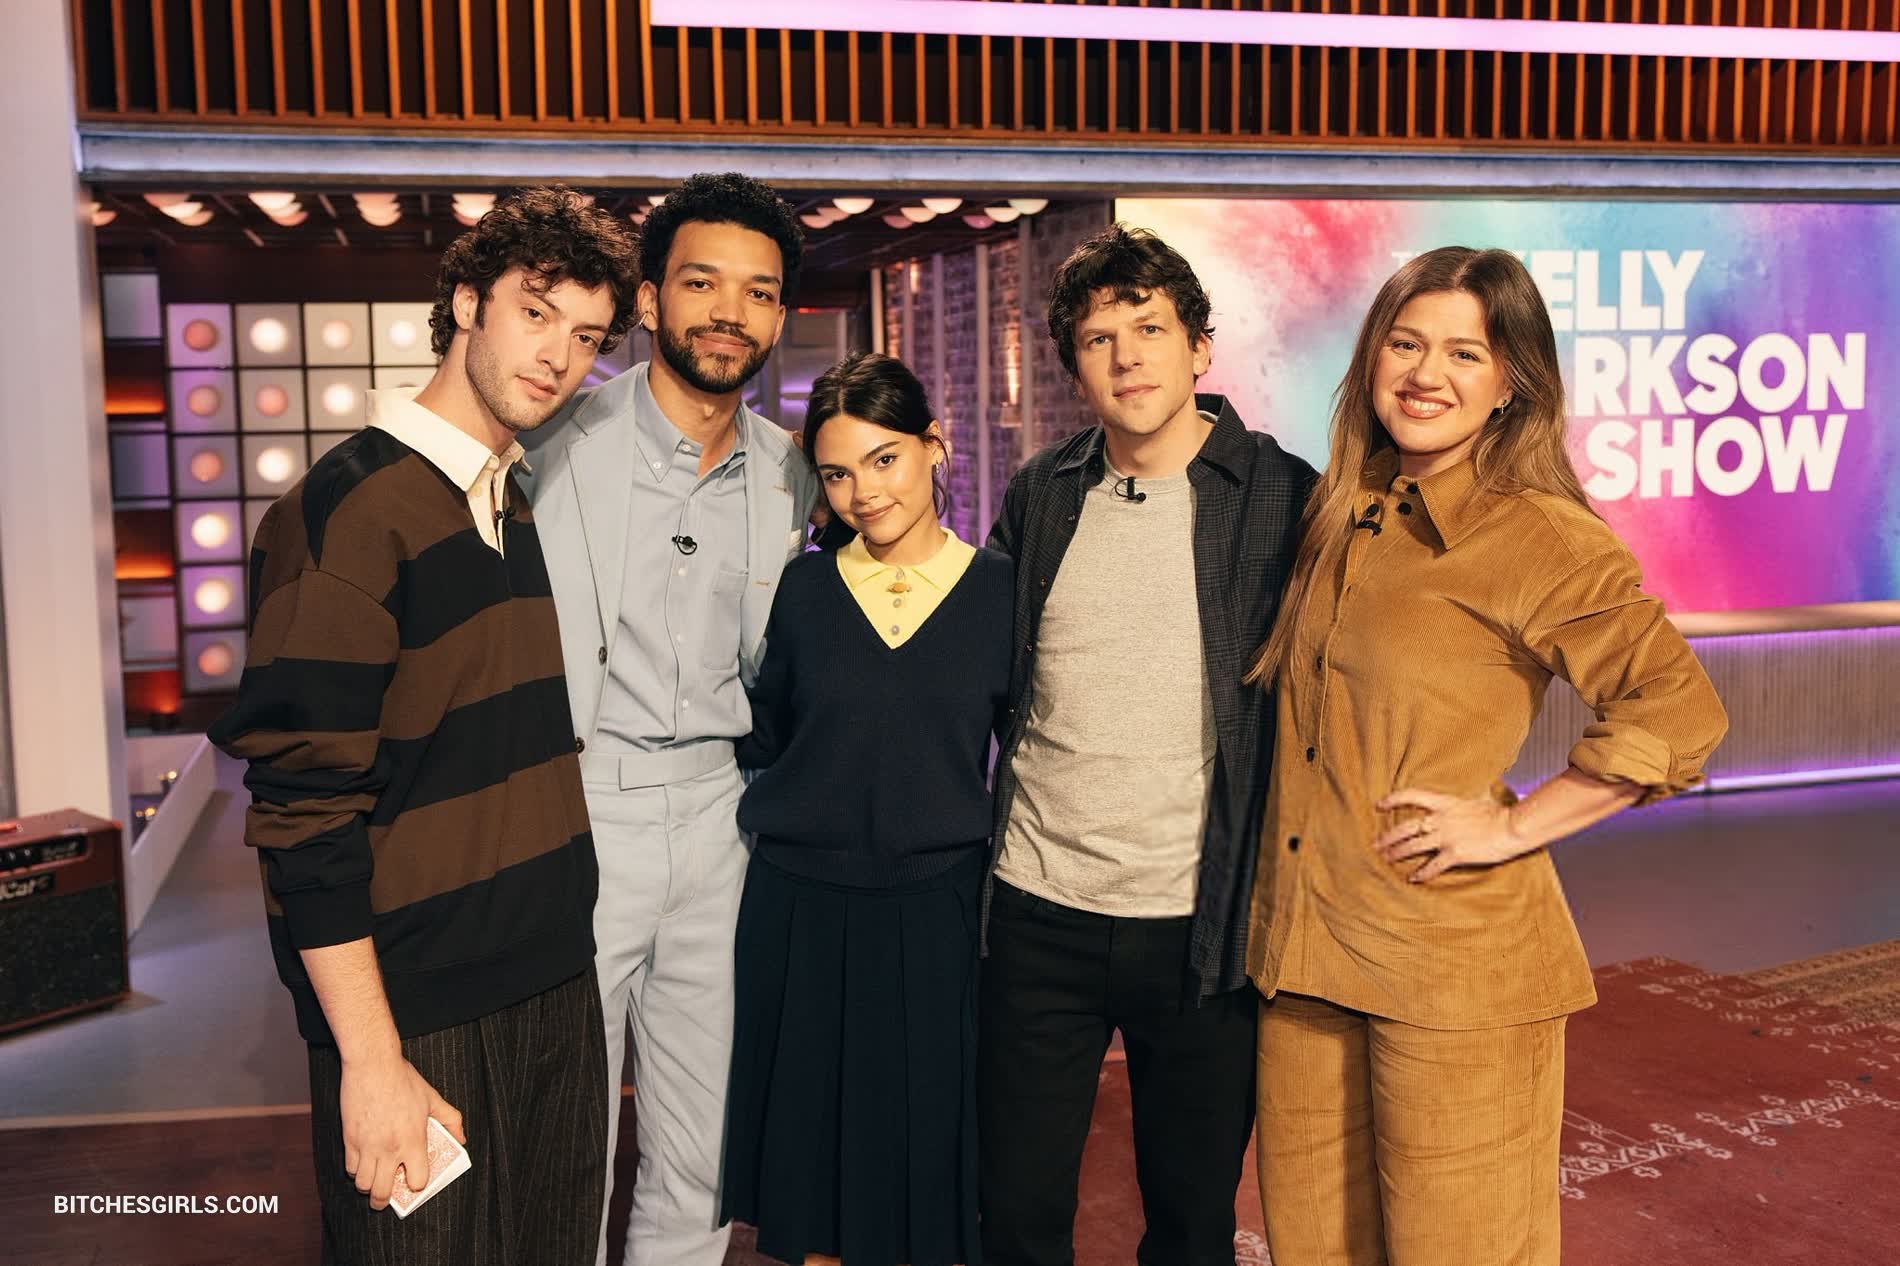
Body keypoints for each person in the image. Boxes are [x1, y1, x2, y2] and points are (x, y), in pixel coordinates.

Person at [1245, 246, 1729, 1266]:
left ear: (1510, 382)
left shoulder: (1538, 536)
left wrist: (1512, 825)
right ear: (1372, 358)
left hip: (1451, 970)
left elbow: (1679, 710)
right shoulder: (1343, 511)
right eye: (1405, 344)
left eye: (1464, 353)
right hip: (1306, 959)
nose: (1426, 374)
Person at [209, 185, 638, 1264]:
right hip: (418, 1016)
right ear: (467, 302)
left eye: (588, 337)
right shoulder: (345, 514)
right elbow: (303, 812)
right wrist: (369, 1059)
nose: (559, 357)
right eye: (536, 312)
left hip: (552, 984)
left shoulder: (506, 497)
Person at [979, 224, 1318, 1266]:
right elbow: (981, 667)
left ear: (1200, 346)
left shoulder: (1283, 496)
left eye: (1150, 329)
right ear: (1073, 365)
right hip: (1037, 912)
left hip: (1199, 929)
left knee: (1190, 1223)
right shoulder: (1043, 493)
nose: (1126, 357)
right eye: (1098, 339)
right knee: (1014, 1218)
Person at [517, 171, 820, 1266]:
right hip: (579, 805)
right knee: (565, 1136)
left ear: (778, 317)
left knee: (703, 1149)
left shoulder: (793, 475)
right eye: (702, 283)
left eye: (758, 292)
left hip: (721, 817)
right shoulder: (549, 444)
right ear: (649, 300)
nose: (729, 313)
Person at [719, 350, 1012, 1266]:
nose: (864, 492)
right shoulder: (800, 591)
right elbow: (762, 735)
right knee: (812, 1182)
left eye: (884, 459)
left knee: (922, 1167)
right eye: (838, 473)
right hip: (799, 908)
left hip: (938, 910)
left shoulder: (1001, 592)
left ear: (935, 446)